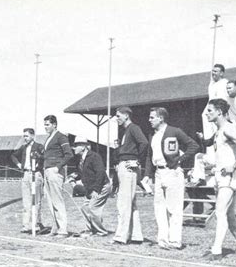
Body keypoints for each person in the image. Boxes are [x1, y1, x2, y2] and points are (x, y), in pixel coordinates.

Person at [199, 99, 236, 260]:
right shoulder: (218, 131)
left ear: (219, 112)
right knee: (228, 215)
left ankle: (216, 251)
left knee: (220, 212)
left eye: (210, 110)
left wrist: (233, 166)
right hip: (220, 177)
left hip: (229, 177)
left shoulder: (228, 128)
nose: (207, 113)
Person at [143, 107, 199, 250]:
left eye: (152, 117)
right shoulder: (152, 135)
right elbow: (150, 156)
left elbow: (193, 145)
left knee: (174, 208)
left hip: (173, 172)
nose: (149, 120)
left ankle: (175, 241)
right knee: (159, 208)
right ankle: (163, 239)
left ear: (161, 118)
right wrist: (147, 175)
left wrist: (180, 160)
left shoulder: (174, 131)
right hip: (158, 173)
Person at [113, 107, 148, 245]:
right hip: (124, 164)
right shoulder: (126, 131)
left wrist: (137, 160)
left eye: (118, 116)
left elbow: (144, 143)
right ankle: (135, 235)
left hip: (129, 165)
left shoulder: (133, 128)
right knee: (130, 202)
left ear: (126, 115)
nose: (117, 119)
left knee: (124, 202)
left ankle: (121, 236)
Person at [72, 136, 111, 237]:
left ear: (83, 147)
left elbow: (100, 173)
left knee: (93, 207)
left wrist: (96, 190)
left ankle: (101, 231)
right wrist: (75, 176)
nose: (74, 148)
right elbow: (86, 174)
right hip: (92, 188)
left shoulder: (94, 156)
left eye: (76, 146)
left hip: (102, 187)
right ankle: (90, 229)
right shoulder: (81, 159)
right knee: (84, 207)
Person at [42, 115, 73, 237]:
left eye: (47, 124)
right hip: (47, 171)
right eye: (44, 124)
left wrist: (58, 167)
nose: (45, 127)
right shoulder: (49, 138)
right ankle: (55, 228)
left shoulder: (61, 137)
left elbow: (69, 154)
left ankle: (63, 230)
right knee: (50, 201)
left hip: (55, 172)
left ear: (54, 124)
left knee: (57, 200)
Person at [11, 128, 45, 234]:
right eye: (24, 136)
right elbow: (13, 155)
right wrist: (19, 165)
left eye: (27, 136)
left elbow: (45, 157)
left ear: (33, 136)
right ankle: (25, 225)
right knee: (26, 202)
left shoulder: (39, 146)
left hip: (36, 175)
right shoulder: (23, 147)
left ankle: (36, 224)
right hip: (25, 174)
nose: (25, 138)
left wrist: (38, 163)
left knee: (37, 201)